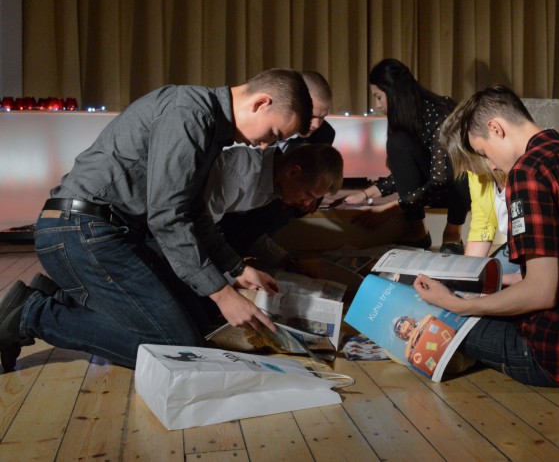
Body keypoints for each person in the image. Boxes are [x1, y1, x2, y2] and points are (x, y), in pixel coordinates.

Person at [0, 69, 313, 372]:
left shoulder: (207, 124)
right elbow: (167, 218)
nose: (265, 145)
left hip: (101, 232)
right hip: (79, 231)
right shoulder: (190, 115)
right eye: (273, 134)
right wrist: (223, 294)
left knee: (197, 323)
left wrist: (237, 268)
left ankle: (54, 295)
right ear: (261, 103)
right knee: (179, 348)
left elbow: (194, 214)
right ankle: (31, 314)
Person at [413, 84, 559, 392]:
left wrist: (457, 306)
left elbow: (540, 294)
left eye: (484, 153)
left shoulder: (528, 171)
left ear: (496, 128)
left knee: (433, 317)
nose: (491, 166)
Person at [344, 58, 470, 253]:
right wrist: (367, 193)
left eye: (379, 97)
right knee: (398, 142)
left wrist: (389, 210)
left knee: (457, 165)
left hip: (456, 189)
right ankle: (417, 230)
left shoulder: (439, 114)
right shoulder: (407, 117)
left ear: (394, 93)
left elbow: (440, 179)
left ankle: (453, 230)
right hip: (429, 190)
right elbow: (409, 171)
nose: (378, 105)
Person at [217, 71, 338, 253]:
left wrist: (308, 200)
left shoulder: (324, 134)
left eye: (322, 117)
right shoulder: (261, 126)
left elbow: (317, 176)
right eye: (312, 115)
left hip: (272, 208)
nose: (315, 124)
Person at [205, 143, 344, 258]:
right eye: (308, 195)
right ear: (294, 172)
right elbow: (201, 231)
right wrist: (236, 270)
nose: (307, 203)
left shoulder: (277, 191)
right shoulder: (238, 172)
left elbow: (245, 235)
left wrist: (286, 260)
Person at [439, 112, 521, 284]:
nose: (465, 169)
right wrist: (466, 276)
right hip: (516, 246)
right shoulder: (477, 174)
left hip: (538, 255)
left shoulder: (523, 174)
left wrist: (489, 281)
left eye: (466, 160)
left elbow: (539, 277)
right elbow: (482, 221)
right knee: (464, 287)